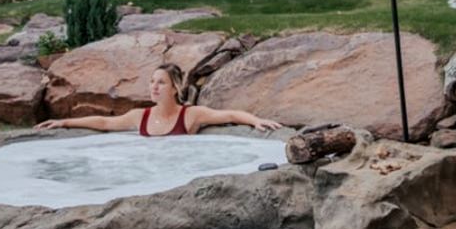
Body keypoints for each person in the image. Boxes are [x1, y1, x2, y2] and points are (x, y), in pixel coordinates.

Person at [34, 63, 282, 136]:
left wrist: (256, 121)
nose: (154, 87)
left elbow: (229, 115)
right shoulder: (140, 116)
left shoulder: (190, 115)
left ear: (175, 88)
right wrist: (63, 123)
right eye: (152, 82)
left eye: (160, 82)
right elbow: (105, 123)